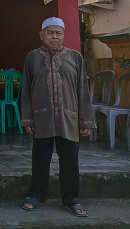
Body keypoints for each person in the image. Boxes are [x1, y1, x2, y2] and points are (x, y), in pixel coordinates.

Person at [21, 17, 96, 217]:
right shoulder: (32, 57)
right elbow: (26, 90)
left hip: (69, 117)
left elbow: (83, 90)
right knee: (40, 158)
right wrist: (27, 119)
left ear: (63, 35)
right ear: (41, 35)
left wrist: (86, 120)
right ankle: (36, 195)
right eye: (50, 33)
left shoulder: (75, 57)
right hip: (41, 118)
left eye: (58, 33)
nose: (54, 36)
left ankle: (70, 198)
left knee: (70, 159)